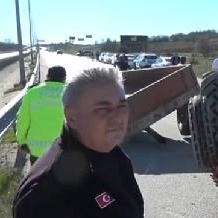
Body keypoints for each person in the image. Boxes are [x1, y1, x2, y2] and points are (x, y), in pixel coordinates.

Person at [12, 68, 144, 218]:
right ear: (72, 117)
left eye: (122, 106)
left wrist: (23, 141)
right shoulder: (43, 195)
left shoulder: (115, 155)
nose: (118, 118)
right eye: (103, 109)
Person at [16, 66, 67, 165]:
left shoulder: (32, 92)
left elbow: (23, 120)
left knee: (38, 180)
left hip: (37, 151)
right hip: (63, 150)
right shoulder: (70, 93)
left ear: (47, 76)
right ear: (64, 78)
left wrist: (22, 141)